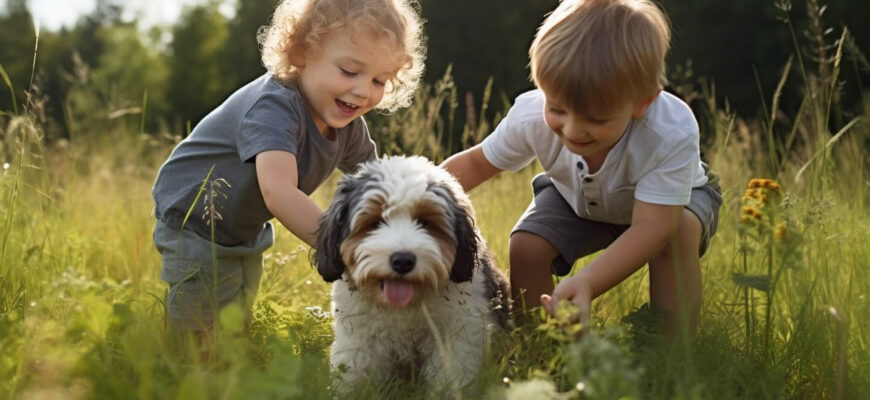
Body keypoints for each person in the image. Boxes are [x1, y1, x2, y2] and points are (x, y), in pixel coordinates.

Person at [442, 0, 721, 335]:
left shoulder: (668, 131)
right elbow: (475, 163)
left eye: (596, 118)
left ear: (642, 102)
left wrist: (588, 280)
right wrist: (423, 190)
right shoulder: (530, 117)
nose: (573, 130)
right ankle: (538, 344)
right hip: (574, 196)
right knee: (527, 245)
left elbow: (653, 228)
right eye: (557, 108)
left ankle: (670, 352)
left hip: (666, 209)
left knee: (676, 236)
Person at [151, 0, 425, 336]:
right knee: (199, 331)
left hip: (242, 229)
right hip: (193, 220)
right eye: (350, 71)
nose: (362, 91)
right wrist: (341, 249)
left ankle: (228, 367)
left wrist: (411, 221)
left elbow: (384, 183)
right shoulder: (274, 106)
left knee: (235, 316)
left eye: (379, 81)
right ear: (300, 54)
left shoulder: (349, 126)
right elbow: (278, 192)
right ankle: (181, 372)